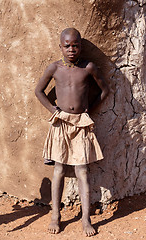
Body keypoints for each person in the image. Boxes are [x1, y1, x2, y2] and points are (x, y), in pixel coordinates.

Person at [35, 27, 109, 237]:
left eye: (75, 45)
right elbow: (39, 91)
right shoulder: (55, 68)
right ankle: (55, 216)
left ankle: (86, 219)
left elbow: (105, 91)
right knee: (58, 169)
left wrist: (89, 112)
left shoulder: (88, 68)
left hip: (80, 125)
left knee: (82, 171)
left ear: (81, 47)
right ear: (60, 47)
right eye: (67, 46)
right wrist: (54, 110)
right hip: (61, 124)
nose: (71, 49)